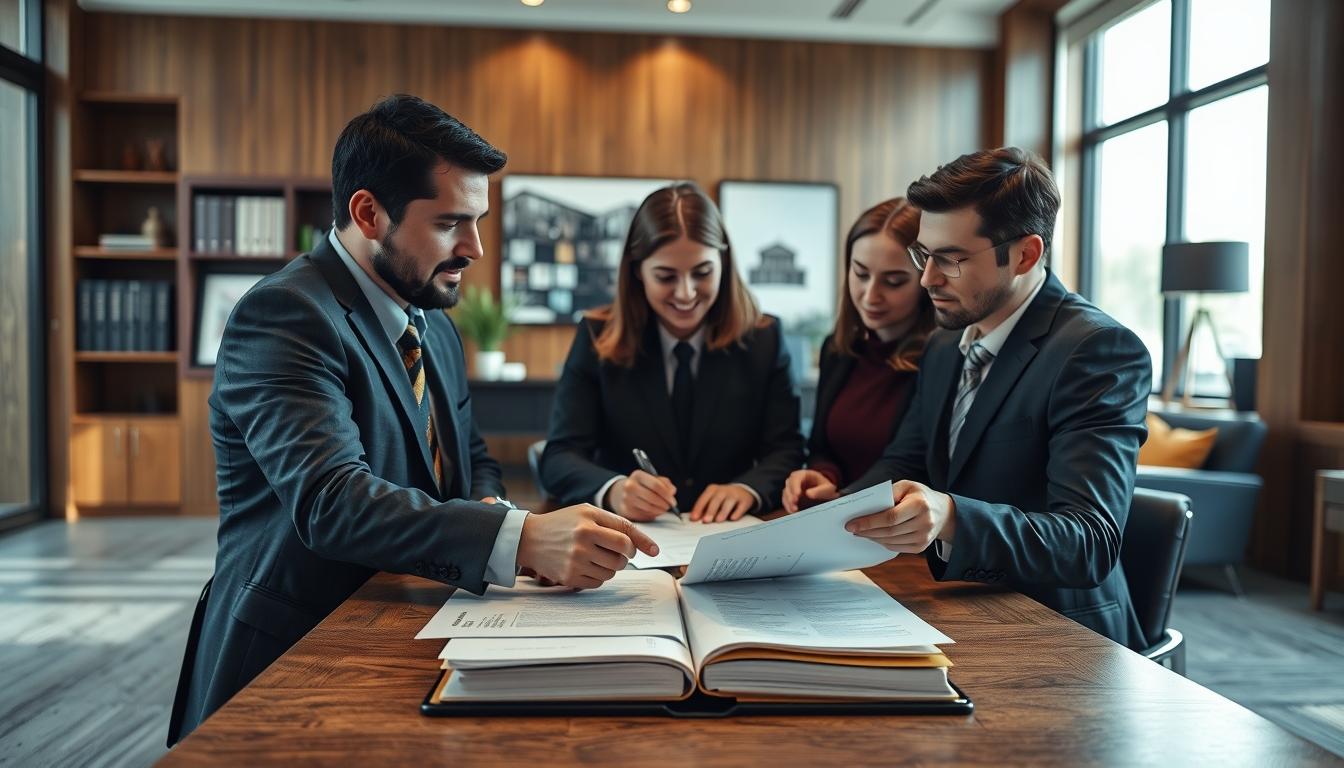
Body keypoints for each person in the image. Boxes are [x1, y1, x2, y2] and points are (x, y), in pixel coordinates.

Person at [168, 95, 657, 745]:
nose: (476, 248)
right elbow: (330, 501)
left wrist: (486, 505)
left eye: (479, 220)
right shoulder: (286, 316)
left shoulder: (433, 321)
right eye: (452, 222)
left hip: (410, 626)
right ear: (369, 213)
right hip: (296, 660)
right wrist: (519, 538)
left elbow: (471, 455)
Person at [791, 147, 1151, 648]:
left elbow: (1088, 543)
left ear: (1026, 254)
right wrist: (835, 505)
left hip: (1062, 639)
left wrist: (951, 516)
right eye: (924, 254)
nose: (927, 279)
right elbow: (906, 459)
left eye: (951, 260)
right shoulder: (944, 343)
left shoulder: (1097, 351)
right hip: (959, 608)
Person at [540, 182, 804, 524]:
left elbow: (787, 450)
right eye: (666, 276)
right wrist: (615, 489)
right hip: (628, 539)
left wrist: (747, 489)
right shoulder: (596, 336)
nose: (686, 293)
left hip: (732, 536)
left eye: (702, 273)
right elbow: (560, 456)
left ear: (723, 264)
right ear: (638, 272)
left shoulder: (764, 339)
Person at [782, 198, 934, 513]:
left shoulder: (941, 359)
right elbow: (824, 448)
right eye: (861, 273)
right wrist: (821, 476)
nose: (870, 295)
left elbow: (911, 464)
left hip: (902, 538)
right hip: (842, 526)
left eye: (894, 281)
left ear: (926, 281)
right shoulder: (838, 351)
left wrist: (841, 502)